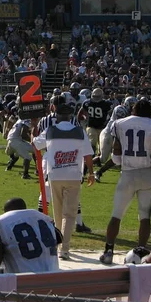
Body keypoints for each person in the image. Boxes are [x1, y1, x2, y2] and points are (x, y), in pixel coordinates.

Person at [100, 99, 151, 265]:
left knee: (116, 215)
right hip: (146, 175)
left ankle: (108, 252)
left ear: (133, 109)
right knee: (144, 216)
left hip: (128, 174)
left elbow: (115, 158)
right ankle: (141, 251)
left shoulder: (119, 124)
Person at [33, 102, 95, 260]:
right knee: (70, 214)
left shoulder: (50, 130)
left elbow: (35, 144)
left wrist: (33, 129)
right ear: (70, 116)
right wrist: (91, 173)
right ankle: (65, 249)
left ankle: (58, 245)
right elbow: (88, 155)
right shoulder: (80, 132)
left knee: (58, 213)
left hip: (55, 175)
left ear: (57, 115)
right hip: (74, 175)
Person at [0, 198, 61, 302]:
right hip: (53, 300)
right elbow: (59, 238)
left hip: (22, 300)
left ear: (6, 211)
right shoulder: (45, 218)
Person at [77, 88, 112, 155]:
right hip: (91, 126)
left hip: (102, 127)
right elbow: (80, 113)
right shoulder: (87, 103)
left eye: (97, 97)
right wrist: (81, 122)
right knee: (92, 141)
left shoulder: (106, 104)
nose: (96, 98)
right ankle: (91, 156)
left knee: (101, 144)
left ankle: (98, 157)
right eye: (95, 96)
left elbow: (111, 114)